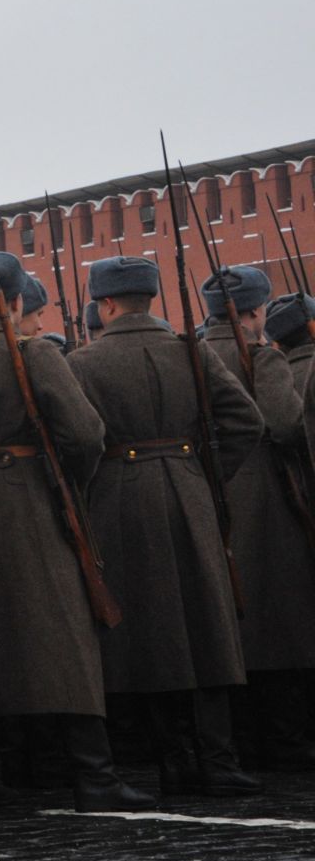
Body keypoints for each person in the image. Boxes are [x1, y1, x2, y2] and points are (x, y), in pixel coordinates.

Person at [0, 252, 152, 813]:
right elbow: (86, 434)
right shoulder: (34, 355)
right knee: (65, 634)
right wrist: (65, 483)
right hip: (34, 497)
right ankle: (93, 774)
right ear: (16, 301)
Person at [66, 255, 263, 797]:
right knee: (209, 624)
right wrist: (201, 475)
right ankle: (219, 759)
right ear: (149, 298)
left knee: (155, 634)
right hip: (188, 487)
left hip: (119, 498)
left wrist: (99, 482)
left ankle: (173, 758)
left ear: (105, 304)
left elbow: (79, 439)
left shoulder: (82, 364)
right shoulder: (189, 350)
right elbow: (247, 420)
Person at [200, 268, 315, 768]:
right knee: (280, 616)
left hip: (205, 492)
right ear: (250, 312)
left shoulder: (194, 353)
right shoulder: (264, 357)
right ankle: (286, 740)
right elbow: (287, 424)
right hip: (265, 493)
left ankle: (240, 736)